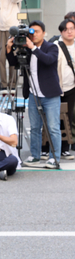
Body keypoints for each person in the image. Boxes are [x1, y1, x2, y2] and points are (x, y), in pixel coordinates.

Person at [6, 20, 61, 169]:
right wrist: (9, 48)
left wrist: (33, 48)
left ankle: (53, 157)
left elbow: (49, 60)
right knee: (35, 127)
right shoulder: (26, 48)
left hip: (50, 94)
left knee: (53, 127)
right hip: (32, 93)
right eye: (32, 32)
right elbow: (14, 63)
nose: (34, 34)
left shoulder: (52, 47)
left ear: (43, 33)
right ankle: (35, 156)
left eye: (37, 31)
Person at [53, 19, 75, 160]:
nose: (70, 31)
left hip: (72, 87)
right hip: (56, 88)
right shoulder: (55, 46)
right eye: (66, 29)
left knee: (68, 118)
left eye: (72, 28)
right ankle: (50, 148)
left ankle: (65, 148)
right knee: (54, 119)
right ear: (61, 32)